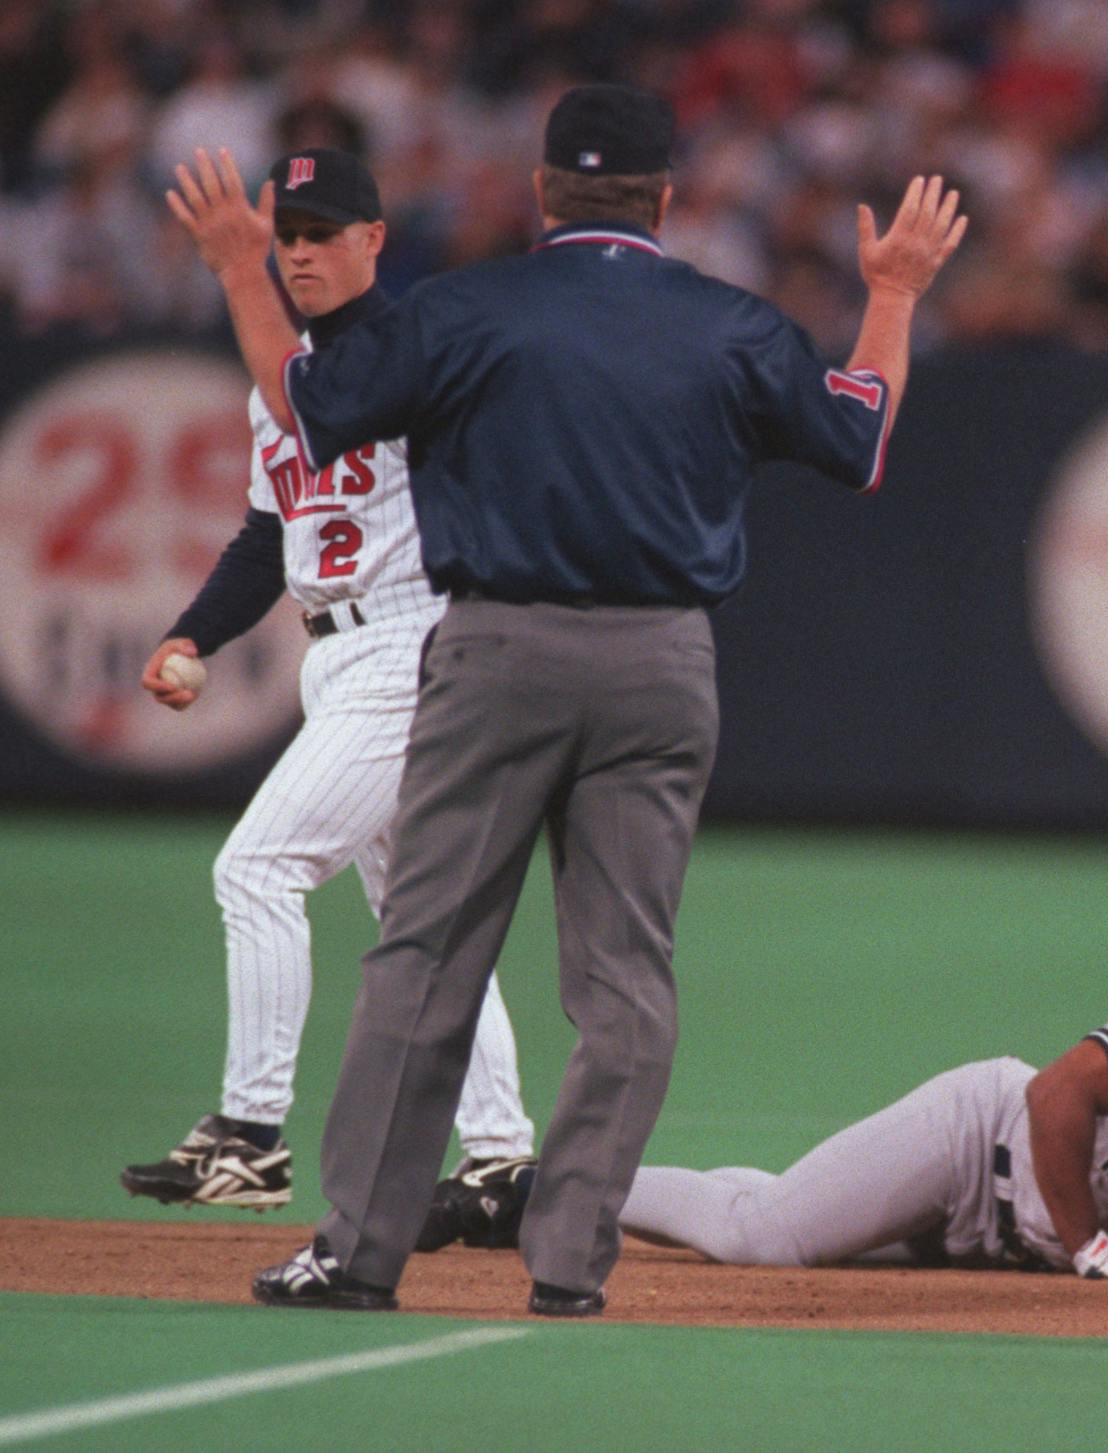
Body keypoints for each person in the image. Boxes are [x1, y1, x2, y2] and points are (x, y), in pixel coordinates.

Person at [166, 84, 964, 1317]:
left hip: (494, 648)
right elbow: (858, 442)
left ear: (541, 191)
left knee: (425, 951)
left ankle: (359, 1253)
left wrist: (237, 267)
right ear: (666, 196)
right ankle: (571, 1263)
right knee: (625, 979)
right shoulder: (728, 323)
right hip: (661, 666)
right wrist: (898, 290)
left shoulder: (467, 307)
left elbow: (308, 416)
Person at [122, 147, 537, 1221]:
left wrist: (236, 276)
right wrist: (193, 635)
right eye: (288, 234)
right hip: (339, 649)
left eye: (321, 232)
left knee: (257, 870)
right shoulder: (283, 377)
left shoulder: (423, 346)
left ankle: (250, 1134)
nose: (299, 251)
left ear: (375, 240)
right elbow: (269, 536)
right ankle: (500, 1154)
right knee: (420, 914)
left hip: (411, 643)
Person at [594, 982, 1108, 1279]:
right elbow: (1057, 1093)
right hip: (972, 1146)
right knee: (766, 1236)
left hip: (995, 1243)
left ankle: (559, 1190)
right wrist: (1094, 1249)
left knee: (780, 1209)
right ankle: (556, 1185)